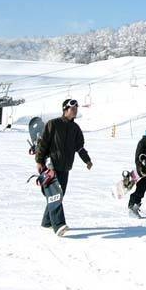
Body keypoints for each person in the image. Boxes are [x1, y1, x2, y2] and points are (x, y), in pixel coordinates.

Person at [35, 99, 93, 237]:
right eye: (73, 108)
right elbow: (43, 144)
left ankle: (47, 221)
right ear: (65, 109)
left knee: (58, 196)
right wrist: (39, 161)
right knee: (56, 194)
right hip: (52, 165)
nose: (75, 110)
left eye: (76, 108)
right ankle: (59, 225)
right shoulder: (53, 124)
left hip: (65, 167)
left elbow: (80, 147)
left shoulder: (75, 128)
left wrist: (87, 160)